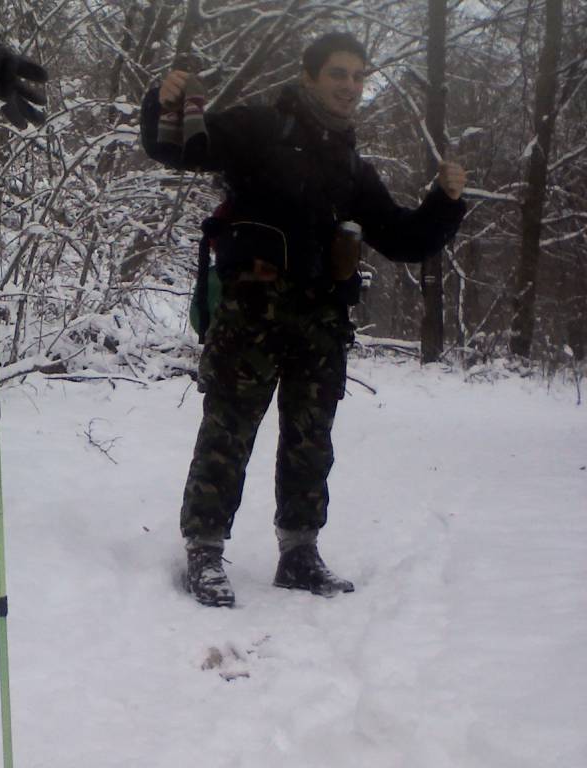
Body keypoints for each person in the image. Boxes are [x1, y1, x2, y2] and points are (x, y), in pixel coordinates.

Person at [139, 32, 467, 607]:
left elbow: (404, 239)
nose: (350, 86)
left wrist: (445, 201)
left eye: (359, 76)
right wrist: (162, 101)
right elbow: (181, 149)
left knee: (310, 440)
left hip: (321, 319)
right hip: (252, 311)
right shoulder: (261, 127)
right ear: (309, 76)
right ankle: (205, 551)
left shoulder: (351, 166)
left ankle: (299, 554)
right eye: (338, 73)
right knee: (228, 430)